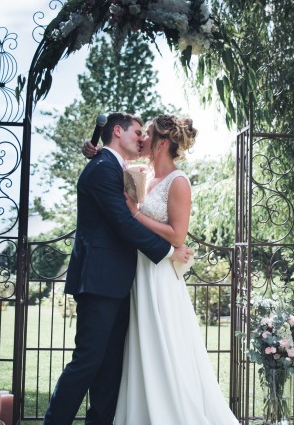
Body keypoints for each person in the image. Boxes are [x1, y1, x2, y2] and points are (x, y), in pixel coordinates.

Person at [84, 115, 240, 425]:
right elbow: (111, 170)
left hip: (159, 277)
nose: (141, 139)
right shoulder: (142, 176)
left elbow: (177, 235)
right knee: (139, 349)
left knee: (163, 346)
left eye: (148, 134)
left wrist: (135, 214)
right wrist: (96, 152)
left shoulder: (178, 181)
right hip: (137, 273)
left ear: (162, 143)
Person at [43, 112, 193, 425]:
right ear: (117, 131)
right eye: (138, 132)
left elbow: (135, 212)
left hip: (122, 284)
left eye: (145, 133)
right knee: (87, 363)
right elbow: (124, 221)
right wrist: (168, 251)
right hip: (99, 283)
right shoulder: (102, 169)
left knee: (110, 369)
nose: (141, 138)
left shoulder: (116, 167)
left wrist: (94, 148)